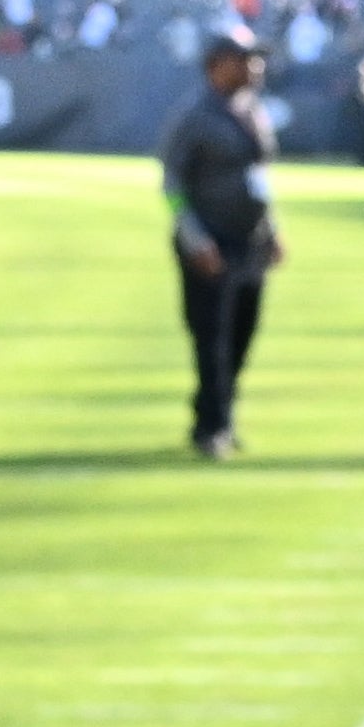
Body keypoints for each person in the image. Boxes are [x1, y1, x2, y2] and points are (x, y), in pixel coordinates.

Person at [158, 28, 282, 459]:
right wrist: (195, 238)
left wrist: (272, 229)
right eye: (245, 59)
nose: (255, 67)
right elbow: (172, 184)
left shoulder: (252, 111)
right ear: (217, 65)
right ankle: (213, 427)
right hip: (210, 242)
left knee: (243, 334)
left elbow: (259, 179)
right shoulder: (194, 116)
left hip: (250, 241)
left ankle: (217, 414)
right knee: (212, 338)